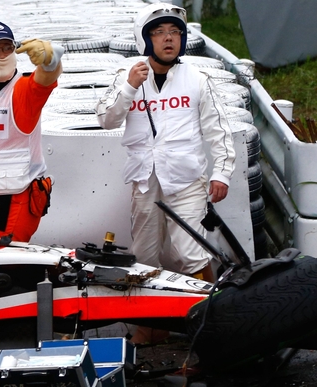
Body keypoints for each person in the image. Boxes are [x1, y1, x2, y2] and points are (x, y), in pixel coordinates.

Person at [95, 2, 235, 284]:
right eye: (159, 32)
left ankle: (211, 315)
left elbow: (218, 129)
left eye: (175, 32)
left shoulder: (197, 79)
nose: (168, 38)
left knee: (191, 253)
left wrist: (222, 173)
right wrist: (130, 87)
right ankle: (152, 327)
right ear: (145, 39)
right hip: (145, 181)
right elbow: (105, 119)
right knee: (143, 256)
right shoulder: (127, 77)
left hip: (187, 180)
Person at [0, 20, 64, 243]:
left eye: (7, 48)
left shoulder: (24, 90)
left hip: (15, 200)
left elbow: (47, 76)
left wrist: (49, 59)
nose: (2, 54)